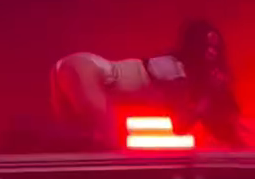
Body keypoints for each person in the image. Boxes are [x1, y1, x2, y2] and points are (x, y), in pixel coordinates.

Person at [50, 19, 252, 149]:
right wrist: (209, 96)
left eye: (215, 48)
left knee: (79, 139)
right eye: (206, 46)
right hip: (87, 71)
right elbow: (180, 126)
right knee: (110, 144)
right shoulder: (176, 72)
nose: (212, 52)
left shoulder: (177, 71)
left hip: (79, 66)